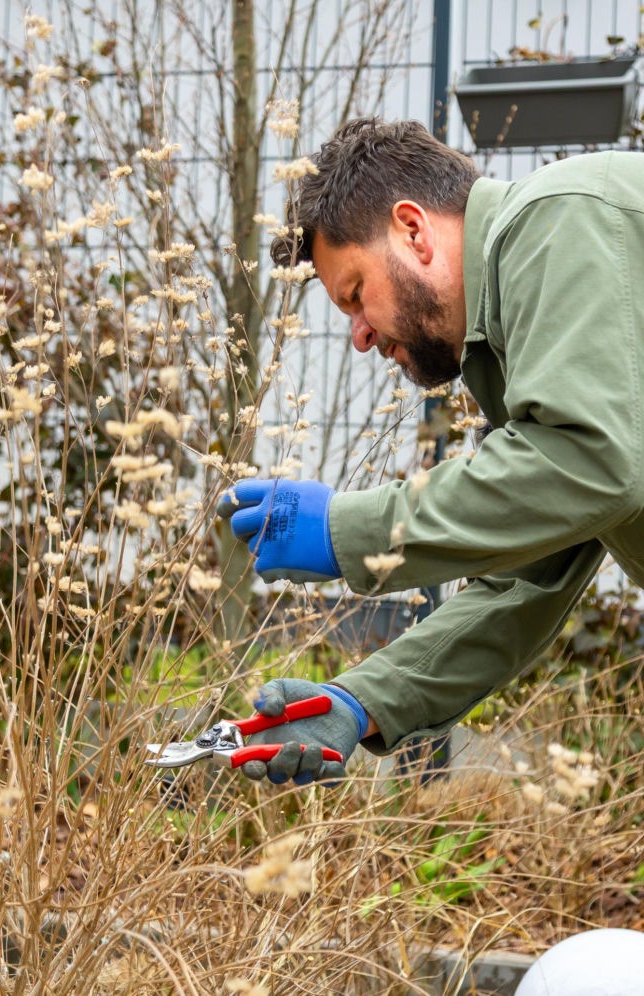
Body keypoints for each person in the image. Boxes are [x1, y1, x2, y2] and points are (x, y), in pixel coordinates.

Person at [218, 117, 644, 785]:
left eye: (356, 295)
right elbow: (526, 577)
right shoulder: (511, 339)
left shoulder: (561, 221)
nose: (360, 336)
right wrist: (359, 704)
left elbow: (586, 462)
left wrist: (344, 531)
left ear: (413, 230)